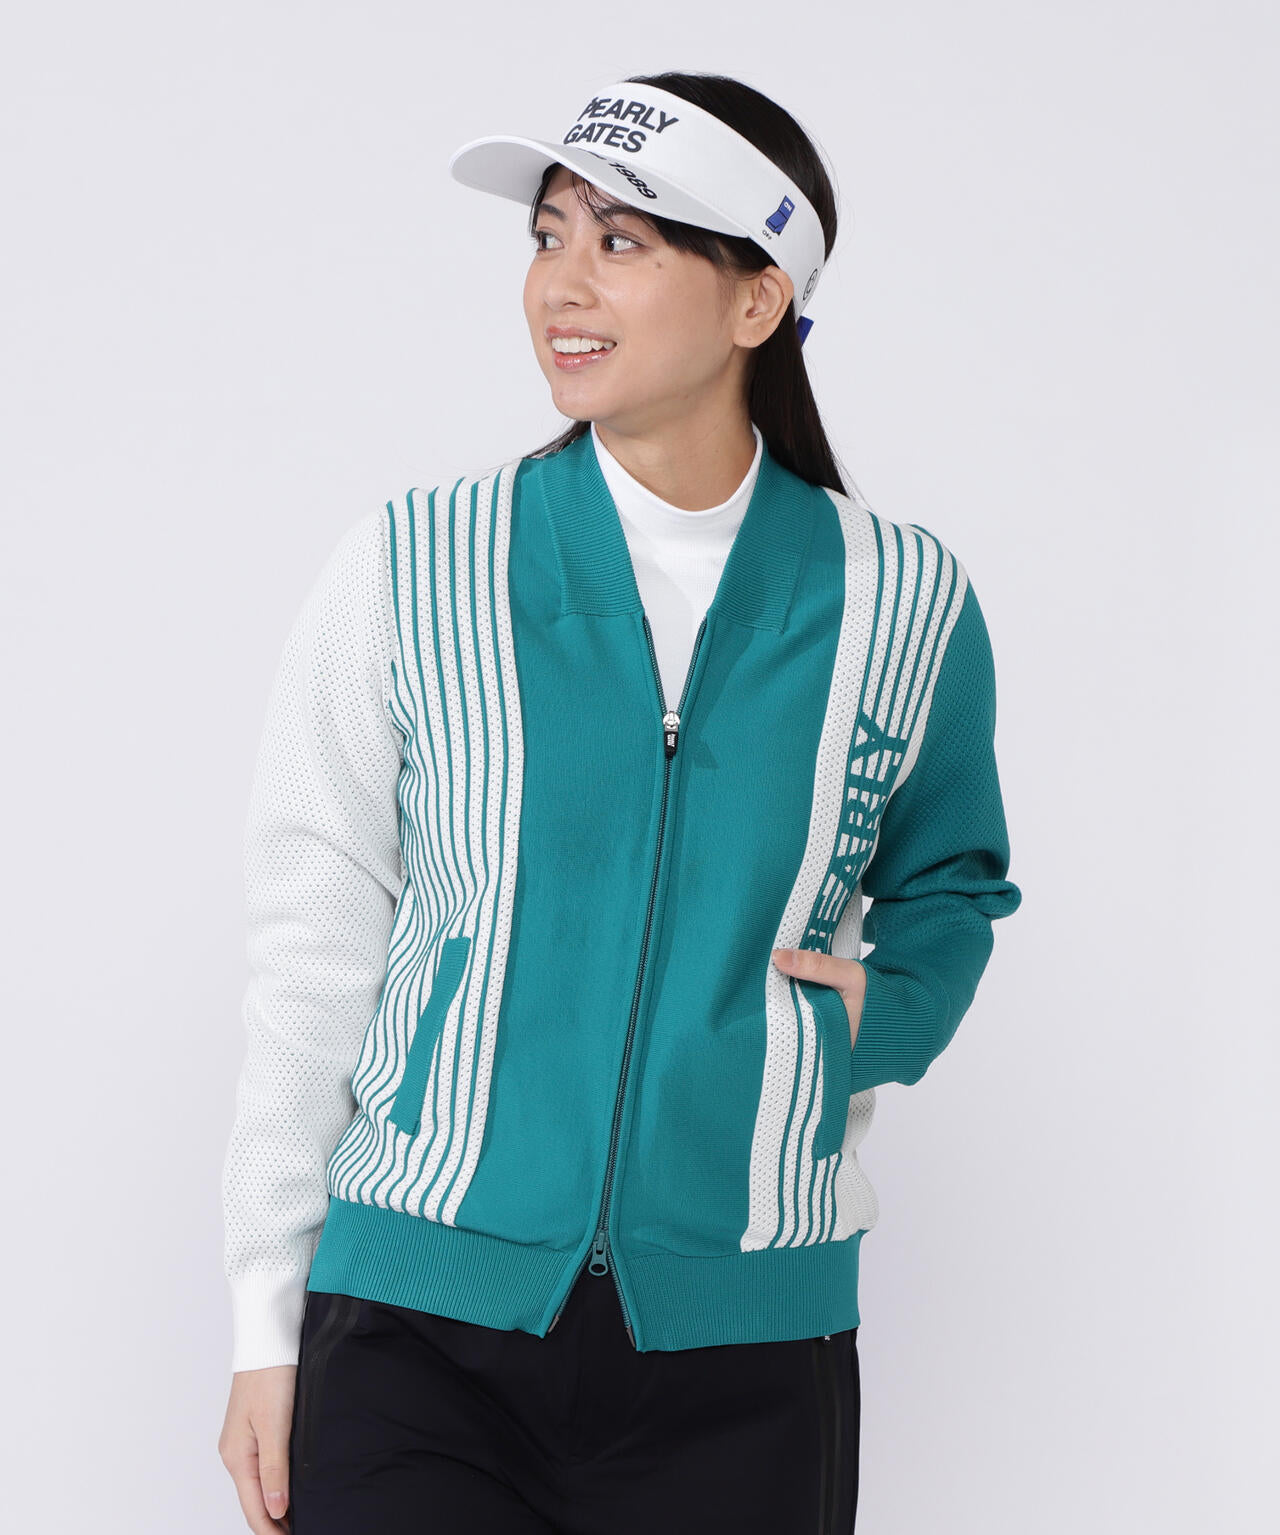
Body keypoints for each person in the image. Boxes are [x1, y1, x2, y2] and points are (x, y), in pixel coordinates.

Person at [216, 69, 1022, 1535]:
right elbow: (314, 924)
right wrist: (266, 1322)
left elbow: (953, 880)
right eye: (548, 235)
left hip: (746, 1346)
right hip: (419, 1326)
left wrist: (878, 1019)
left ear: (757, 299)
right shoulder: (418, 564)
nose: (561, 285)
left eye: (622, 241)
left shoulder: (900, 599)